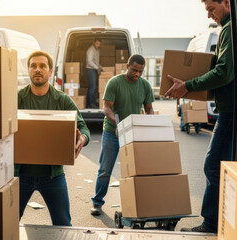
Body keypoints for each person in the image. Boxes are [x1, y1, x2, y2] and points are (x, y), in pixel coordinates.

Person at [164, 0, 235, 233]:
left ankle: (211, 224)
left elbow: (223, 72)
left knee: (213, 165)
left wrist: (189, 85)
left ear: (226, 2)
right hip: (231, 110)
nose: (209, 16)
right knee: (221, 166)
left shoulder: (229, 30)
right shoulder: (228, 29)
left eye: (211, 9)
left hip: (230, 113)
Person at [16, 50, 90, 226]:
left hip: (52, 176)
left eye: (42, 66)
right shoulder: (17, 98)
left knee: (63, 224)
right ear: (28, 70)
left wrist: (82, 139)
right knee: (7, 223)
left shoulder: (61, 100)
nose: (37, 69)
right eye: (33, 66)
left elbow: (83, 127)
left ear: (50, 72)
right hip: (19, 175)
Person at [91, 54, 154, 215]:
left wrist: (152, 125)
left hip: (133, 133)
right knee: (105, 169)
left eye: (140, 71)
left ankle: (134, 205)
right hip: (113, 132)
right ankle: (97, 203)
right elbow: (107, 108)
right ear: (127, 66)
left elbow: (149, 109)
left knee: (134, 171)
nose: (137, 74)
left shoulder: (145, 85)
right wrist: (118, 123)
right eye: (134, 70)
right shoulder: (115, 82)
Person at [86, 38, 102, 108]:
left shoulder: (97, 50)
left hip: (94, 69)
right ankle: (91, 104)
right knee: (93, 87)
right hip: (90, 69)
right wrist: (97, 68)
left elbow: (96, 61)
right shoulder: (90, 50)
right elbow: (89, 62)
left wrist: (100, 67)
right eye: (96, 43)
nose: (97, 45)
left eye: (99, 44)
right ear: (94, 42)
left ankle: (93, 102)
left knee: (94, 86)